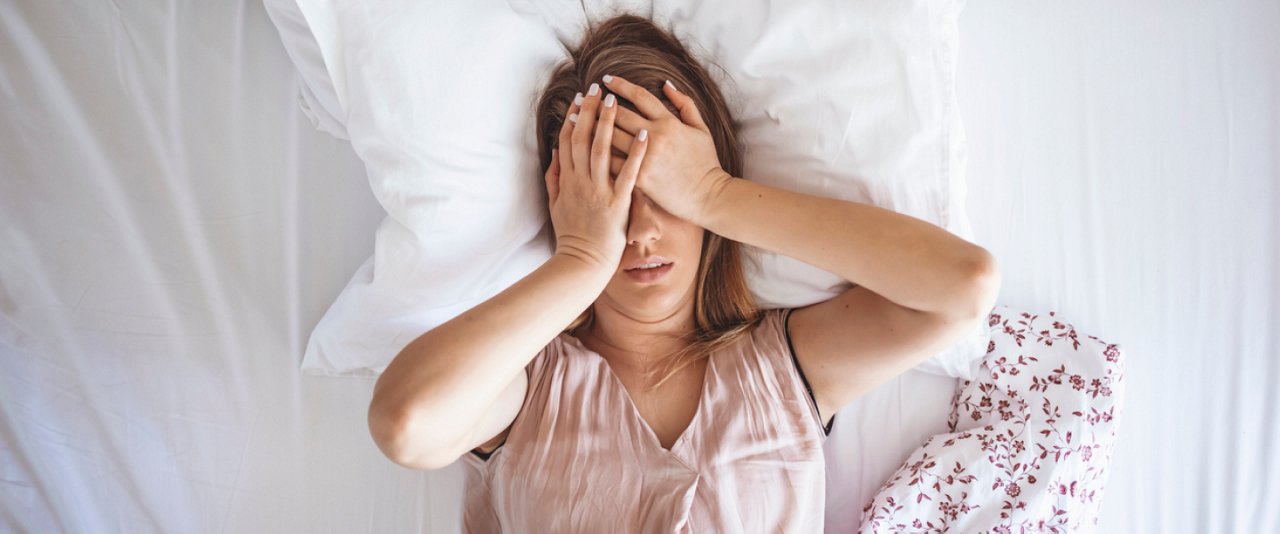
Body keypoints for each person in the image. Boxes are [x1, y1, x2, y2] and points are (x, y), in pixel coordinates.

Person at [368, 15, 1000, 532]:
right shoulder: (528, 390)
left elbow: (961, 287)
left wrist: (715, 193)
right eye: (611, 198)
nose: (640, 231)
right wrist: (581, 261)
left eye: (664, 196)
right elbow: (407, 426)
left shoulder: (782, 369)